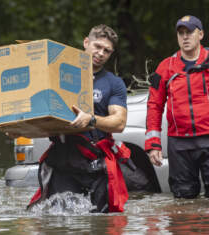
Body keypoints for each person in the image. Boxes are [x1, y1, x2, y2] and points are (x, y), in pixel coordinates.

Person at [27, 24, 129, 213]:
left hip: (95, 164)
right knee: (61, 220)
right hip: (62, 161)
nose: (100, 53)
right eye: (97, 46)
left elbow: (119, 122)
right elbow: (37, 110)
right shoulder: (57, 74)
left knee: (101, 221)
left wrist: (91, 120)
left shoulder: (114, 83)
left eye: (107, 51)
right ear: (86, 42)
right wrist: (18, 126)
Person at [145, 15, 209, 199]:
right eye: (181, 33)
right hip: (179, 143)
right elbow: (154, 106)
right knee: (183, 200)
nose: (185, 37)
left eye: (189, 32)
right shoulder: (165, 67)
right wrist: (153, 144)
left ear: (201, 34)